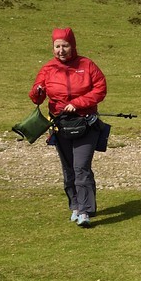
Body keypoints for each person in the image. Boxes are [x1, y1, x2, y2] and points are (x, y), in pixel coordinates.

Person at [28, 26, 108, 226]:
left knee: (81, 167)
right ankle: (74, 205)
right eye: (57, 46)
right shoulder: (47, 69)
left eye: (65, 46)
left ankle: (85, 211)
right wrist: (37, 92)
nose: (61, 50)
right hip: (60, 125)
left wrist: (78, 103)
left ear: (73, 46)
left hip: (86, 124)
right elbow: (36, 98)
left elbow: (100, 89)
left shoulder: (87, 65)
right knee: (69, 170)